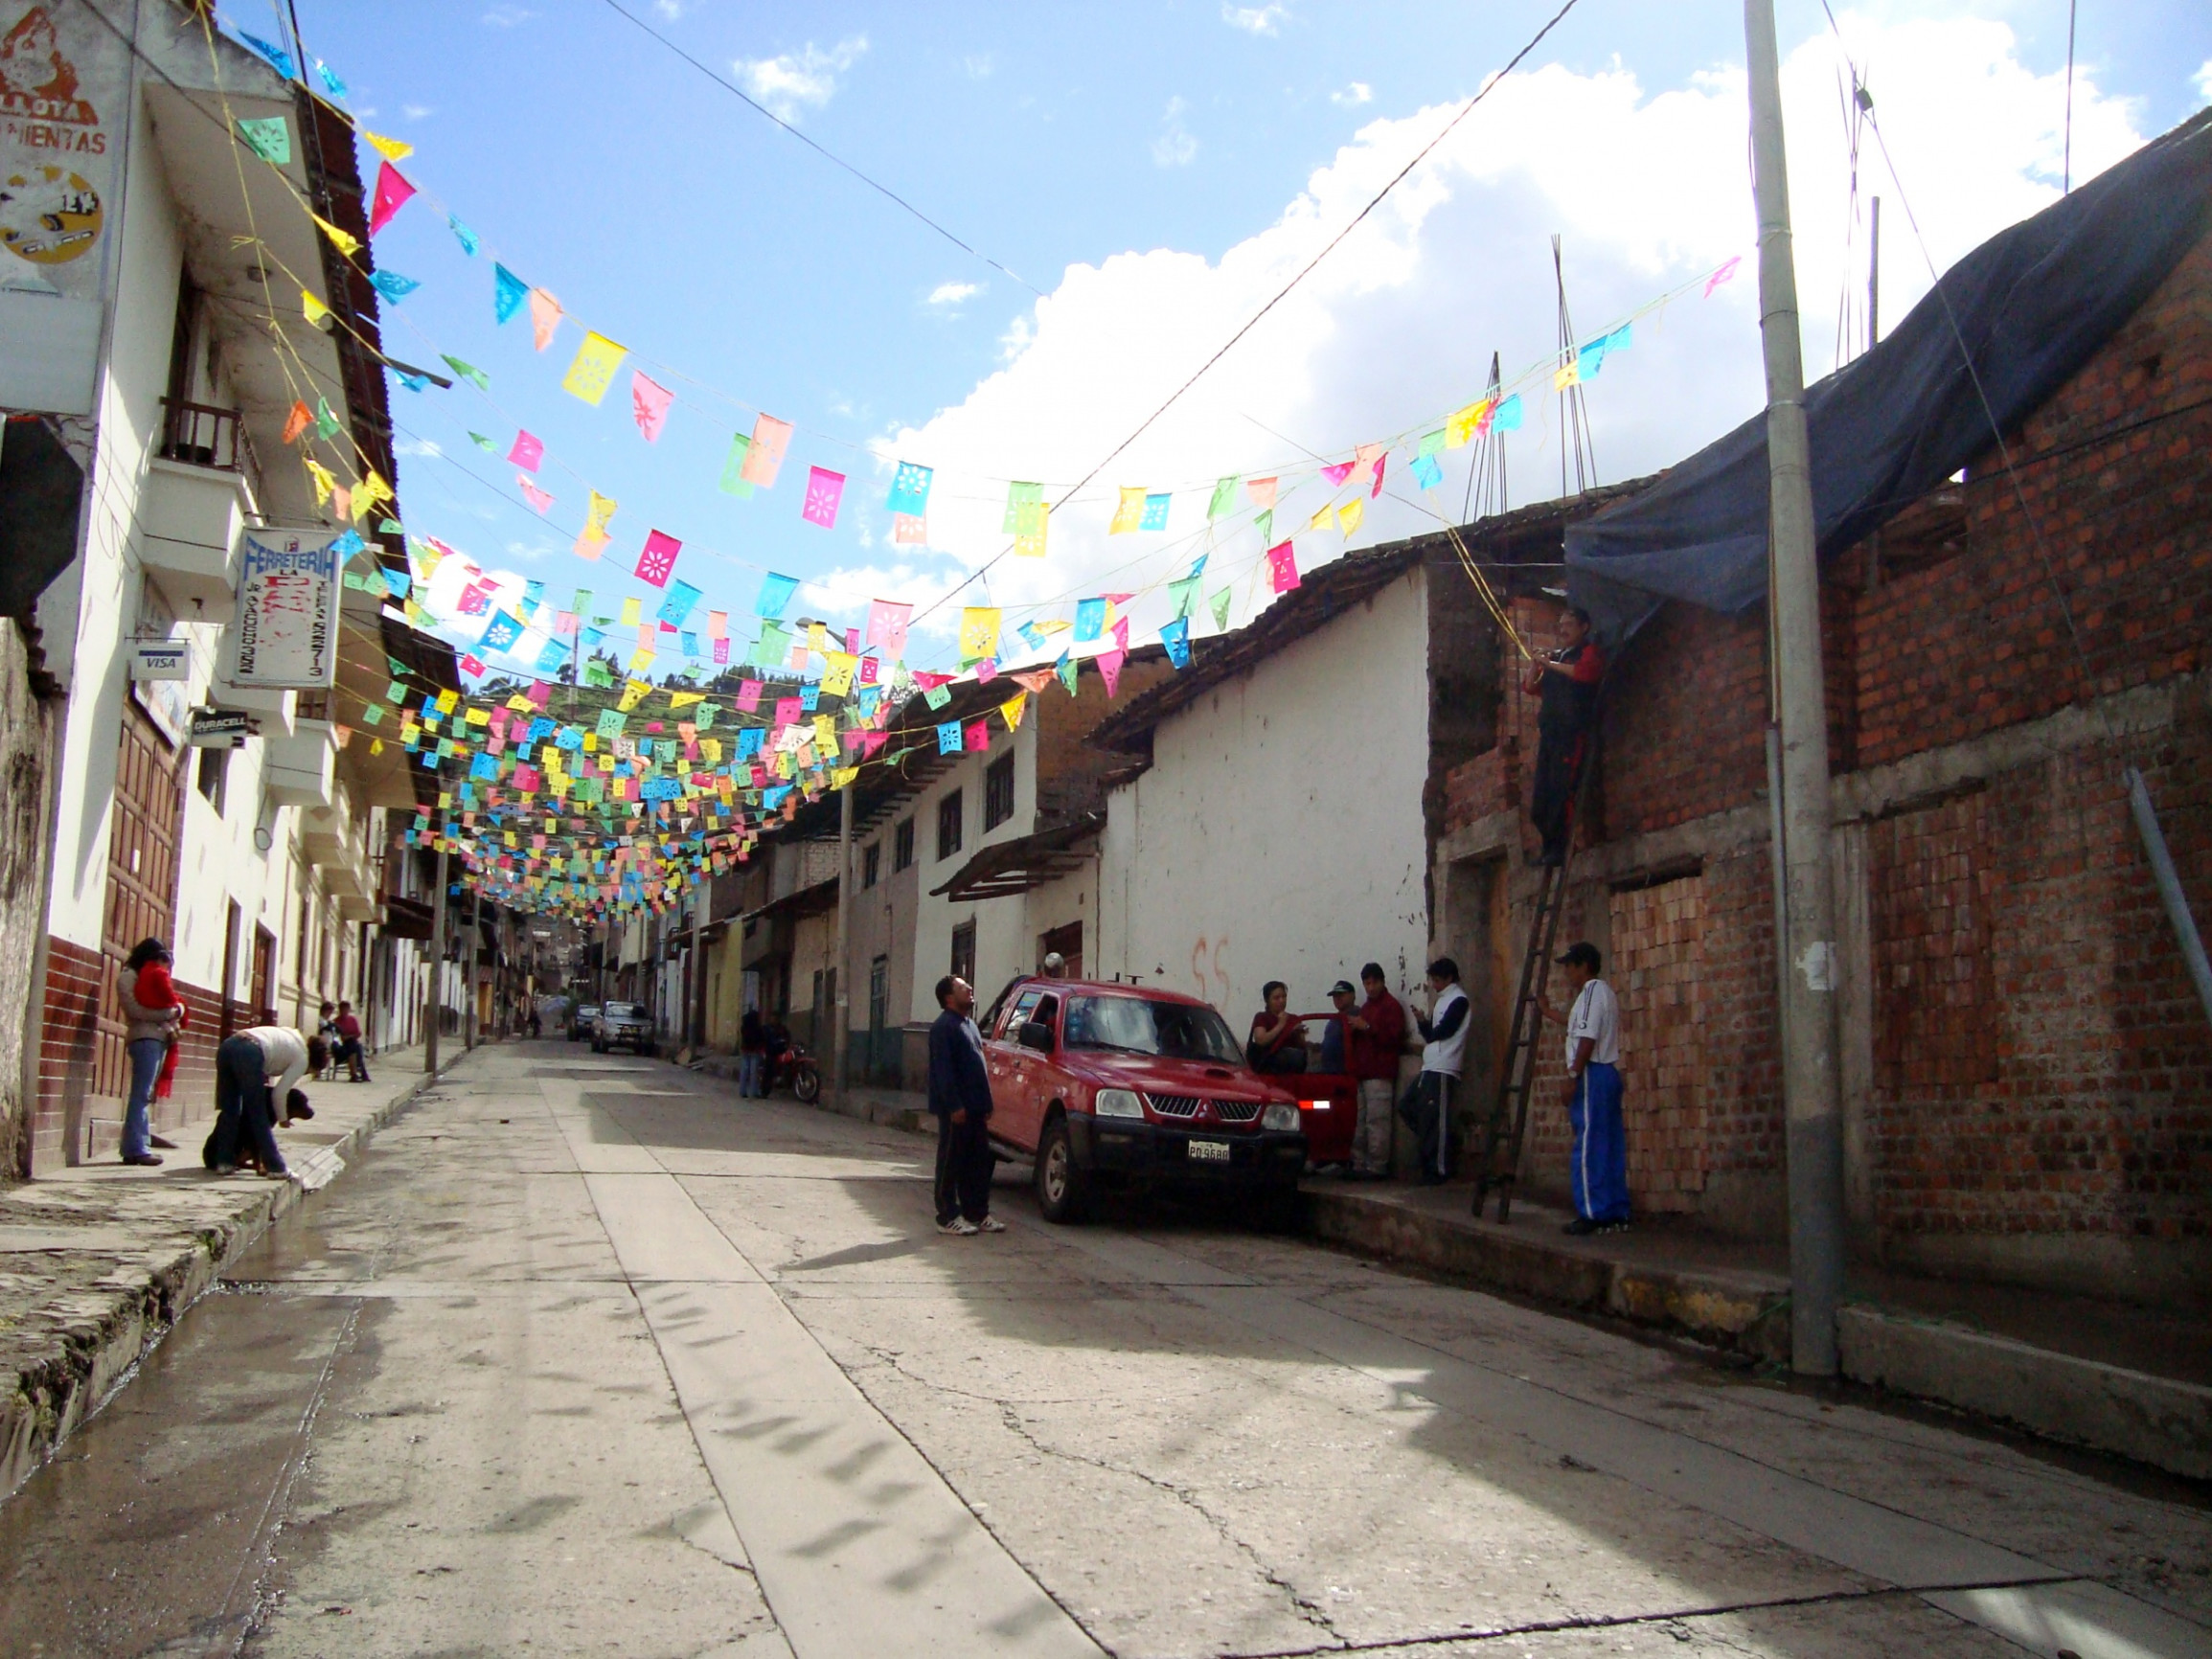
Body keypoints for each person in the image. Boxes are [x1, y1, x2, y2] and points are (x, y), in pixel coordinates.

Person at [1543, 942, 1629, 1235]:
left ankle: (1592, 1211)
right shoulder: (1603, 994)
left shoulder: (1591, 992)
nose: (1567, 972)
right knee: (1609, 1143)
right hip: (1606, 1073)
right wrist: (1550, 1013)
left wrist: (1572, 1076)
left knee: (1589, 1145)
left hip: (1592, 1072)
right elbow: (1577, 1026)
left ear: (1583, 966)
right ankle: (1615, 1210)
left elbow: (1587, 1037)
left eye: (1570, 966)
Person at [1521, 605, 1606, 865]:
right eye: (1561, 624)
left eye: (1569, 624)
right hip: (1550, 734)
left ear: (1584, 627)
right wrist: (1537, 665)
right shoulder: (1559, 657)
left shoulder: (1588, 653)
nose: (1563, 629)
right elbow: (1529, 687)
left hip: (1572, 733)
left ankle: (1559, 848)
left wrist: (1552, 664)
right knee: (1541, 799)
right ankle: (1548, 849)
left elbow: (1584, 674)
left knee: (1562, 790)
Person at [927, 975, 1002, 1236]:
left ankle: (977, 1212)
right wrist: (954, 1105)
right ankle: (947, 1215)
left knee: (978, 1164)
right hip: (956, 1110)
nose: (969, 988)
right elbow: (943, 1071)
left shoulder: (969, 1024)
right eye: (961, 988)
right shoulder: (943, 1027)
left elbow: (978, 1065)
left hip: (976, 1108)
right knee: (950, 1162)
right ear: (949, 998)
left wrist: (987, 1101)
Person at [204, 1027, 325, 1180]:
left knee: (231, 1110)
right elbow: (279, 1093)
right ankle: (276, 1167)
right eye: (309, 1072)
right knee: (258, 1114)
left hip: (228, 1045)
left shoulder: (290, 1037)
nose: (304, 1073)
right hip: (250, 1052)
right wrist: (283, 1119)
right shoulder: (302, 1058)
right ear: (313, 1063)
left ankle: (224, 1162)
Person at [117, 939, 184, 1167]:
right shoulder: (129, 976)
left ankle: (138, 1144)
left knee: (144, 1094)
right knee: (141, 1094)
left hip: (155, 1039)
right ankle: (136, 1147)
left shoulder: (149, 975)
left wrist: (176, 1009)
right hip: (145, 1038)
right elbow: (134, 1010)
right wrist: (169, 1013)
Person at [1404, 959, 1470, 1185]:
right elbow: (1432, 1032)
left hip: (1443, 1066)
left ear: (1449, 978)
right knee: (1409, 1106)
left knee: (1436, 1120)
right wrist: (1423, 1022)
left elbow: (1443, 1031)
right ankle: (1430, 1148)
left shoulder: (1458, 1000)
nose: (1433, 984)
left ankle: (1438, 1168)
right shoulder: (1443, 1001)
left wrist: (1429, 1029)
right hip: (1430, 1065)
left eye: (1437, 980)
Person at [1344, 963, 1407, 1180]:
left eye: (1374, 983)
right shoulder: (1366, 1008)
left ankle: (1377, 1166)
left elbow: (1394, 1038)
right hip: (1362, 1072)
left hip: (1380, 1073)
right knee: (1360, 1121)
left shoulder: (1391, 1007)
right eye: (1367, 983)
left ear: (1382, 982)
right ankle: (1359, 1163)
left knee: (1377, 1120)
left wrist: (1367, 1028)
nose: (1370, 988)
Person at [1247, 982, 1309, 1075]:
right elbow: (1260, 1040)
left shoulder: (1294, 1018)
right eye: (1276, 998)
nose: (1281, 1001)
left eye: (1284, 997)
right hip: (1268, 1067)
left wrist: (1298, 1034)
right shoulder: (1262, 1017)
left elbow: (1302, 1046)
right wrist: (1280, 1025)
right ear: (1267, 1000)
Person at [332, 1000, 370, 1082]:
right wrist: (349, 1036)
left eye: (346, 1009)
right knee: (355, 1048)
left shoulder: (352, 1020)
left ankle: (354, 1075)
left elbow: (358, 1033)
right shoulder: (336, 1021)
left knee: (355, 1047)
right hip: (342, 1046)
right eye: (343, 1009)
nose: (345, 1011)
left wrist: (350, 1036)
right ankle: (361, 1074)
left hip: (351, 1043)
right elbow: (339, 1037)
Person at [739, 1008, 766, 1097]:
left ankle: (742, 1091)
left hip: (745, 1050)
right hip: (755, 1051)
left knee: (744, 1071)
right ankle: (754, 1092)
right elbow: (761, 1039)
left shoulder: (744, 1027)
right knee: (754, 1072)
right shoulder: (758, 1028)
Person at [315, 1002, 341, 1079]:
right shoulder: (320, 1019)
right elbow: (325, 1027)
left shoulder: (328, 1021)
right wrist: (331, 1025)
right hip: (323, 1043)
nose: (329, 1014)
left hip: (331, 1043)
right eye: (328, 1012)